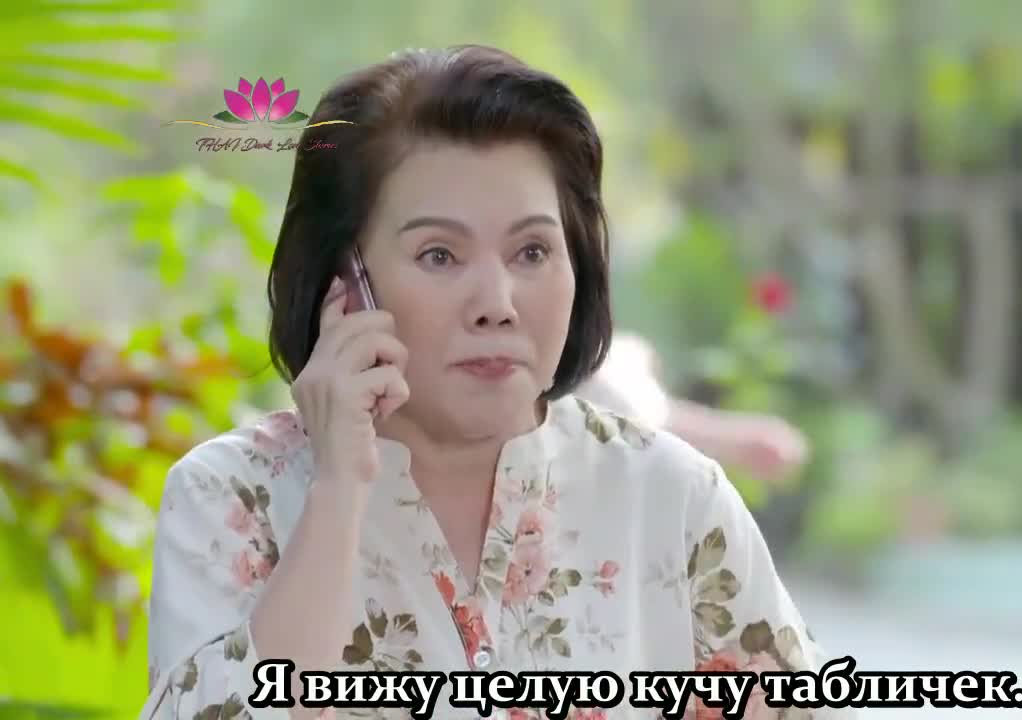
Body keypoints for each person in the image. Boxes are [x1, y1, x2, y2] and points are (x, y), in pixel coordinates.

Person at [140, 45, 847, 720]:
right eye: (439, 255)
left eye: (532, 251)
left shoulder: (671, 496)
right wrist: (338, 490)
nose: (497, 303)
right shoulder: (230, 498)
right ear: (344, 282)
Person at [576, 331, 810, 483]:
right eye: (764, 444)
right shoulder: (635, 370)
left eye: (765, 457)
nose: (757, 449)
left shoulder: (649, 463)